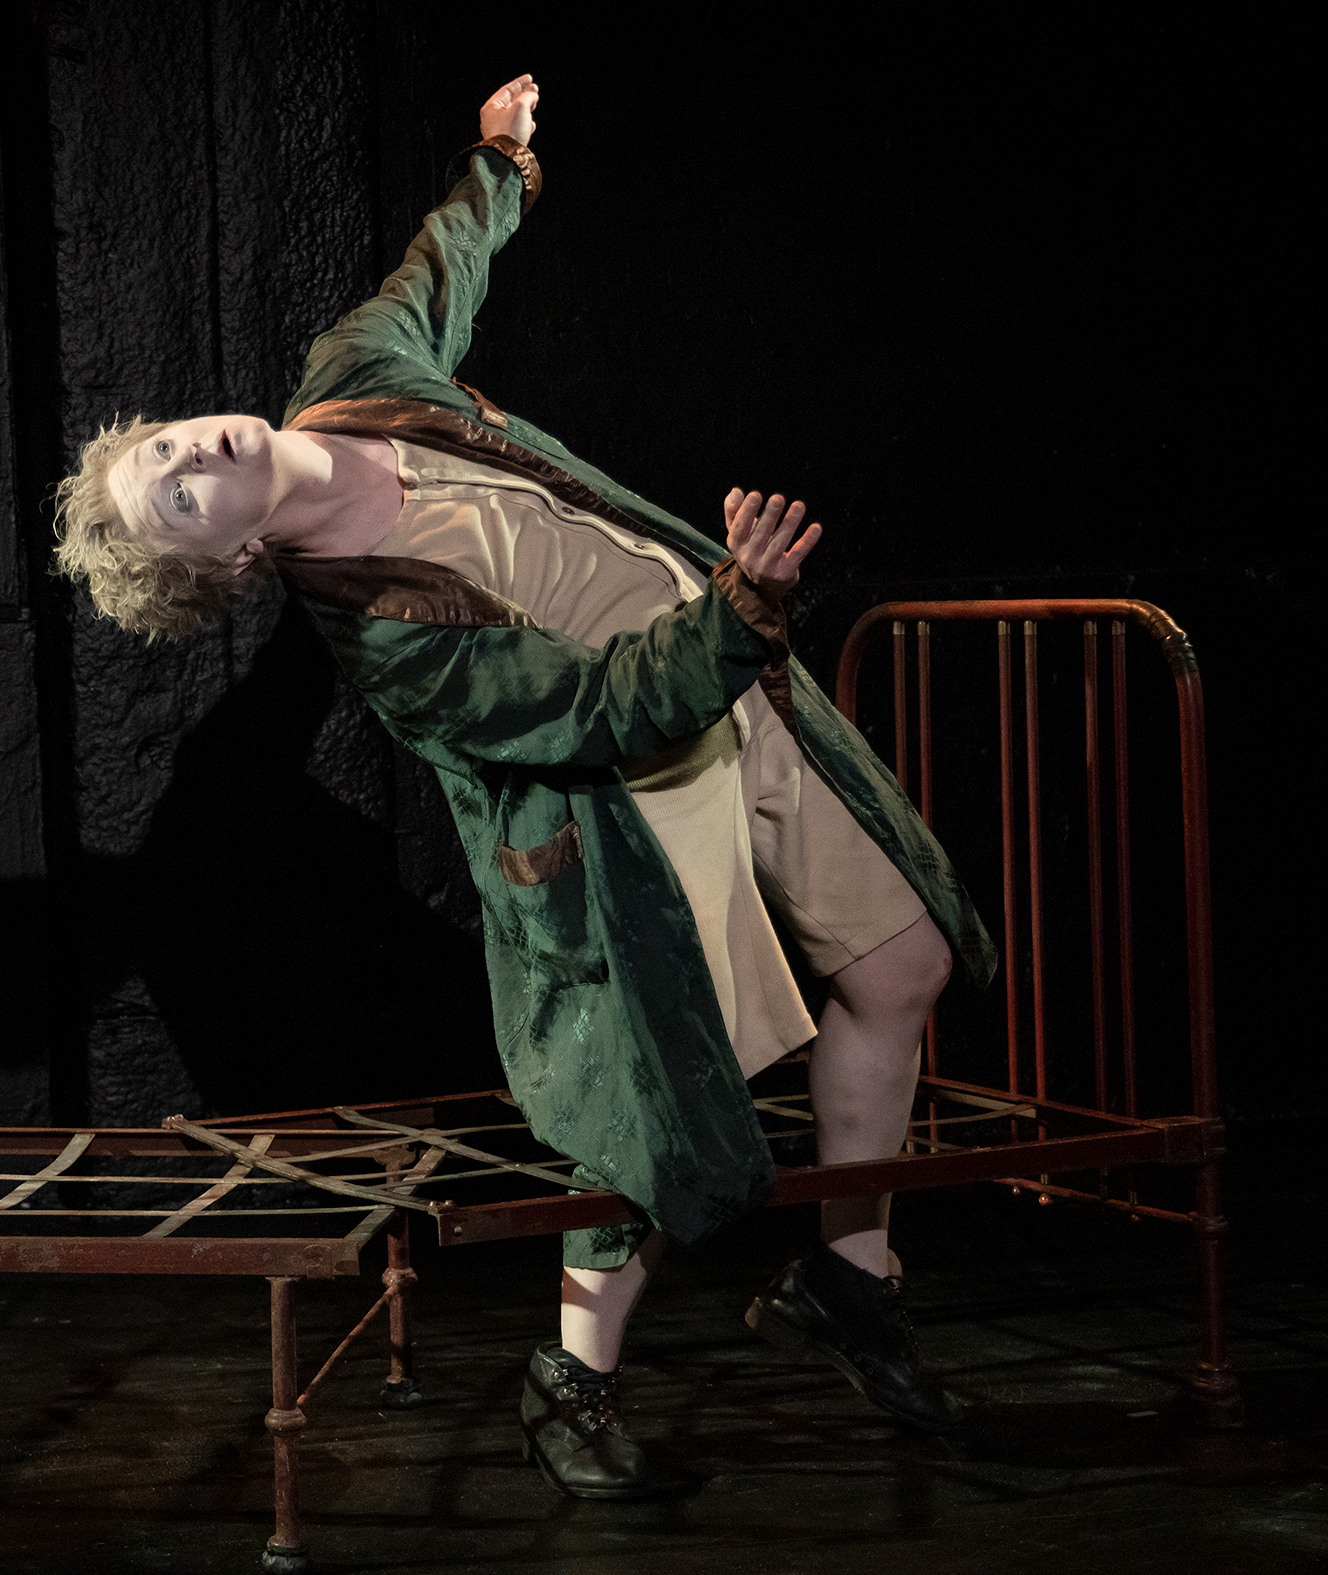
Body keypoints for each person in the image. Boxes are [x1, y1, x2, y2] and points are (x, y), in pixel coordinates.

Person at [51, 72, 999, 1499]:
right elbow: (601, 711)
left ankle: (851, 1283)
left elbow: (436, 273)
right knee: (659, 1100)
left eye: (166, 446)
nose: (192, 455)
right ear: (230, 559)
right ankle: (571, 1379)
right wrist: (741, 605)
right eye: (175, 496)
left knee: (901, 962)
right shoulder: (384, 641)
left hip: (741, 692)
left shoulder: (358, 375)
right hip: (624, 803)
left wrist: (500, 163)